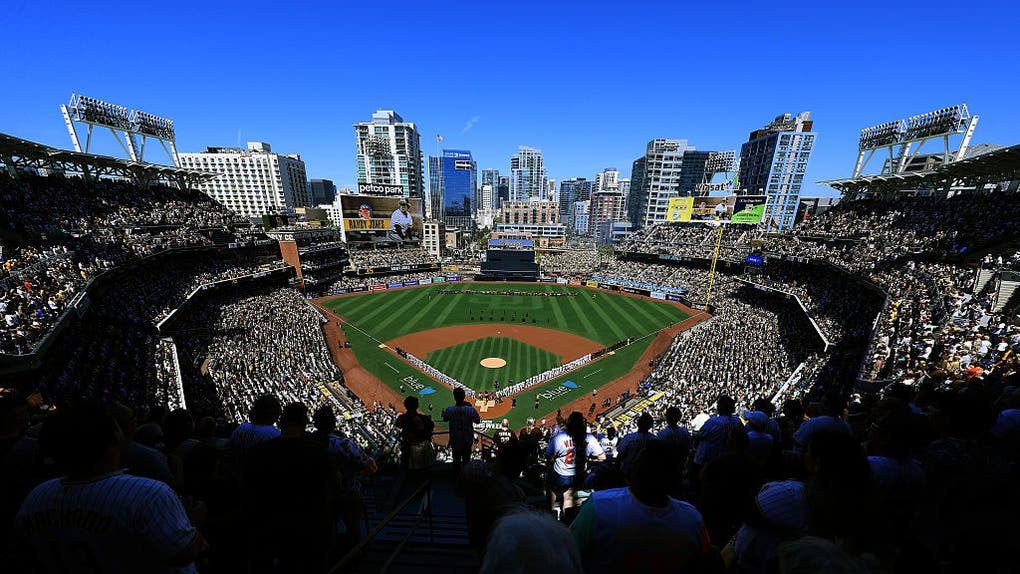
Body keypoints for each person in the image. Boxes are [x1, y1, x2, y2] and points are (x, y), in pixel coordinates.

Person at [14, 403, 206, 573]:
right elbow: (182, 553)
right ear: (115, 437)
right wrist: (195, 520)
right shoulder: (149, 494)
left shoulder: (37, 496)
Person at [571, 440, 710, 573]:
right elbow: (705, 560)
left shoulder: (599, 505)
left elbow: (570, 554)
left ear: (635, 469)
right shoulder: (693, 518)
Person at [243, 402, 339, 574]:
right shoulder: (321, 453)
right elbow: (333, 488)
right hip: (311, 531)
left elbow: (249, 490)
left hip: (271, 530)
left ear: (280, 422)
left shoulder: (258, 452)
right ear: (305, 422)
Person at [547, 412, 606, 513]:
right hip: (578, 475)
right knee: (569, 497)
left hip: (561, 474)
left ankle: (550, 512)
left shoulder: (559, 437)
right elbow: (602, 457)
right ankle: (567, 519)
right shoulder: (590, 438)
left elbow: (548, 455)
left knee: (551, 488)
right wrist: (590, 459)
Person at [442, 387, 480, 470]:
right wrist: (469, 406)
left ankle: (456, 479)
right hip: (467, 440)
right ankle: (465, 480)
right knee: (466, 462)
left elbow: (444, 419)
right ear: (464, 396)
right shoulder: (470, 410)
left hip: (455, 440)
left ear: (454, 397)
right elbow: (477, 421)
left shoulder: (449, 410)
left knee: (456, 461)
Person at [395, 396, 435, 470]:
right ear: (417, 406)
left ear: (405, 406)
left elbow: (397, 424)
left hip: (408, 447)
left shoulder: (402, 418)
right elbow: (431, 426)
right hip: (422, 447)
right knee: (426, 468)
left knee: (408, 468)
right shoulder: (424, 418)